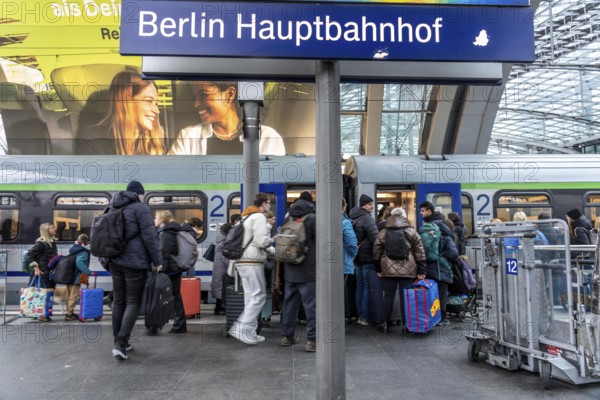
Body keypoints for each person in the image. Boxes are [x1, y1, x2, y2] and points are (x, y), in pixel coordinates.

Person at [108, 180, 162, 360]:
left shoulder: (112, 207)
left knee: (119, 301)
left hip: (115, 261)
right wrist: (157, 260)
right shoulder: (141, 209)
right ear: (139, 194)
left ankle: (119, 340)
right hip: (134, 262)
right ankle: (121, 343)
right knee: (132, 302)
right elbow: (150, 237)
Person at [168, 81, 285, 155]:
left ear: (229, 95)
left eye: (204, 95)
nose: (196, 104)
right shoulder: (188, 136)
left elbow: (274, 188)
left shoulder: (268, 137)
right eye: (195, 97)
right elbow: (171, 182)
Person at [75, 71, 165, 155]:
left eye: (156, 104)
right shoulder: (91, 140)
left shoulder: (153, 143)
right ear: (127, 102)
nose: (157, 111)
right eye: (149, 101)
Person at [228, 193, 274, 345]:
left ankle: (250, 332)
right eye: (268, 203)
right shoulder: (259, 217)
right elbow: (262, 241)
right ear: (263, 203)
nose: (270, 206)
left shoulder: (245, 217)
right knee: (259, 296)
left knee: (250, 297)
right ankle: (240, 328)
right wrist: (274, 240)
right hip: (252, 261)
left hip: (241, 261)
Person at [373, 207, 426, 333]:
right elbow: (420, 251)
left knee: (388, 296)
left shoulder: (383, 232)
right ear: (403, 216)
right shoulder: (410, 231)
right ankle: (406, 325)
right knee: (405, 297)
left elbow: (376, 251)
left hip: (387, 269)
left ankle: (384, 323)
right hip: (408, 268)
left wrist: (378, 268)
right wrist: (422, 270)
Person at [280, 196, 317, 352]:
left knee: (289, 304)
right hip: (307, 269)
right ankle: (312, 340)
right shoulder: (313, 219)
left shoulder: (287, 218)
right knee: (311, 305)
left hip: (290, 270)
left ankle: (287, 336)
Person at [419, 201, 458, 325]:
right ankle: (441, 318)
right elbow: (453, 254)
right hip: (441, 269)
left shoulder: (425, 230)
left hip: (427, 268)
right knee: (442, 295)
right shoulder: (446, 236)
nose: (421, 213)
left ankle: (431, 317)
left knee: (431, 294)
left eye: (423, 210)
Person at [349, 194, 379, 326]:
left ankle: (359, 314)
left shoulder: (353, 217)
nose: (372, 207)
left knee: (359, 286)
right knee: (367, 286)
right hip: (367, 257)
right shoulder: (367, 219)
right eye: (370, 204)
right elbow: (375, 239)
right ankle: (365, 317)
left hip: (356, 257)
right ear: (364, 205)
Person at [154, 210, 187, 334]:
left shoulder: (166, 233)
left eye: (156, 218)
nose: (154, 220)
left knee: (173, 297)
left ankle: (179, 324)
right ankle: (179, 324)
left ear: (162, 220)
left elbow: (164, 253)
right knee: (174, 296)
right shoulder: (172, 231)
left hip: (169, 270)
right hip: (174, 269)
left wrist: (160, 268)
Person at [26, 223, 58, 322]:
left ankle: (39, 313)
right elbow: (30, 255)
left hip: (48, 271)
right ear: (46, 230)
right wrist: (36, 268)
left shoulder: (51, 242)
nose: (54, 230)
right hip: (41, 272)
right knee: (41, 292)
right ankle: (41, 314)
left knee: (45, 292)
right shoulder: (41, 243)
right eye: (52, 228)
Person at [212, 214, 241, 315]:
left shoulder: (220, 241)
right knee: (222, 290)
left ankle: (218, 309)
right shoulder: (224, 244)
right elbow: (226, 259)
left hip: (219, 271)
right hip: (223, 272)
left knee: (219, 289)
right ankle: (220, 309)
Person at [64, 234, 95, 321]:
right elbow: (80, 262)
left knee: (69, 295)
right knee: (73, 296)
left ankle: (69, 312)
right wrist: (88, 272)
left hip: (69, 275)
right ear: (86, 242)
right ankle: (69, 314)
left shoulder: (73, 249)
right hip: (76, 277)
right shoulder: (83, 251)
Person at [342, 198, 358, 323]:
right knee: (343, 291)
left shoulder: (322, 219)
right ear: (343, 207)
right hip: (342, 262)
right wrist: (352, 256)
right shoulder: (345, 222)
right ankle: (344, 316)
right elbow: (352, 243)